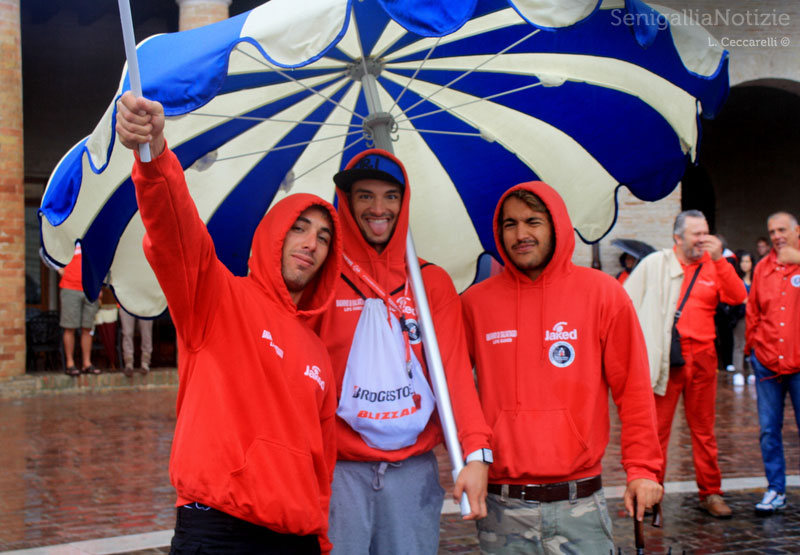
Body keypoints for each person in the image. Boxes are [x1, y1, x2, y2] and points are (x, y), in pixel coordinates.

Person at [115, 91, 342, 554]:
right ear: (273, 234)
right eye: (299, 227)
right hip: (219, 529)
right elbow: (174, 230)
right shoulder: (217, 297)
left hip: (296, 538)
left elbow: (324, 461)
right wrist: (154, 155)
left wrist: (319, 538)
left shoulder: (318, 350)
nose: (310, 243)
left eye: (323, 237)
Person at [461, 182, 663, 553]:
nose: (521, 234)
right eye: (510, 224)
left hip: (580, 503)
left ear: (556, 224)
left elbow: (633, 389)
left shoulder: (603, 294)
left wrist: (643, 469)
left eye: (533, 221)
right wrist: (472, 454)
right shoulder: (475, 303)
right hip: (503, 506)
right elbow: (455, 388)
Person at [308, 149, 492, 554]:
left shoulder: (432, 283)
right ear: (346, 203)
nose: (379, 208)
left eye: (391, 196)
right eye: (365, 196)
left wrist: (475, 453)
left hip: (412, 474)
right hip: (340, 473)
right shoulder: (321, 278)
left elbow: (454, 375)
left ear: (404, 202)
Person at [624, 210, 746, 518]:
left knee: (704, 430)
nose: (703, 239)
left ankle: (711, 492)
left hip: (704, 357)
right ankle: (653, 490)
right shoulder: (659, 265)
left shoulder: (713, 264)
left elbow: (736, 296)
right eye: (696, 234)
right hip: (671, 357)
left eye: (706, 232)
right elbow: (626, 302)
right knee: (657, 430)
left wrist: (719, 260)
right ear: (677, 238)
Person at [745, 212, 800, 515]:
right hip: (767, 361)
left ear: (796, 231)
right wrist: (751, 348)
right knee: (768, 430)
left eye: (782, 229)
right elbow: (753, 311)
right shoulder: (763, 268)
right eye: (772, 231)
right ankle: (775, 489)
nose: (777, 235)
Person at [58, 243, 100, 376]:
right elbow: (47, 252)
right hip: (70, 287)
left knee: (88, 327)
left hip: (90, 288)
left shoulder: (92, 237)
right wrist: (59, 269)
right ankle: (70, 363)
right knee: (69, 327)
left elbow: (100, 261)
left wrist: (99, 284)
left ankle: (86, 363)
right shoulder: (68, 237)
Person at [731, 250, 754, 385]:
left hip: (754, 317)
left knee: (754, 344)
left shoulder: (757, 278)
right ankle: (738, 371)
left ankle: (752, 371)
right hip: (741, 316)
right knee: (739, 344)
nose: (745, 265)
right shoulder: (737, 279)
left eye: (748, 261)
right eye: (743, 262)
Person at [120, 310, 153, 376]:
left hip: (145, 302)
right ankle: (128, 364)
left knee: (146, 332)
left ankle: (145, 362)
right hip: (126, 302)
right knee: (127, 332)